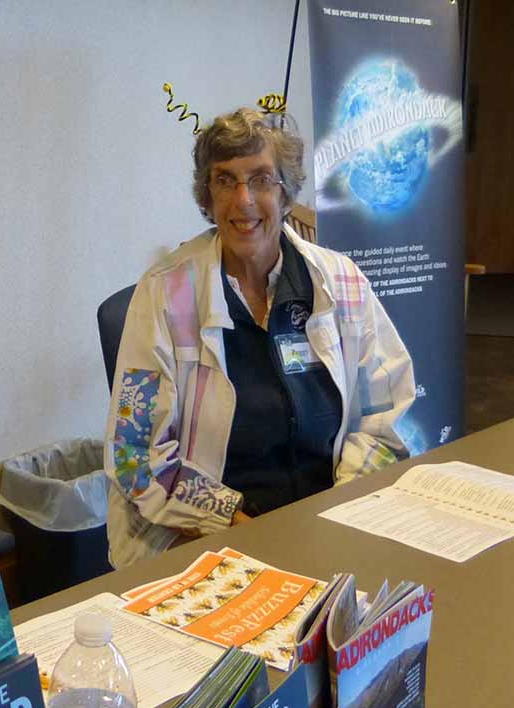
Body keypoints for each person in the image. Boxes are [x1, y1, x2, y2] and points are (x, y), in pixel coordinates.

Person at [104, 107, 415, 568]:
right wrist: (249, 533)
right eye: (225, 181)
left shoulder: (341, 283)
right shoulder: (165, 295)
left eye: (261, 179)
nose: (243, 200)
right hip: (198, 543)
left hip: (326, 531)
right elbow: (135, 458)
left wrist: (332, 517)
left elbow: (384, 418)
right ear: (207, 197)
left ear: (286, 192)